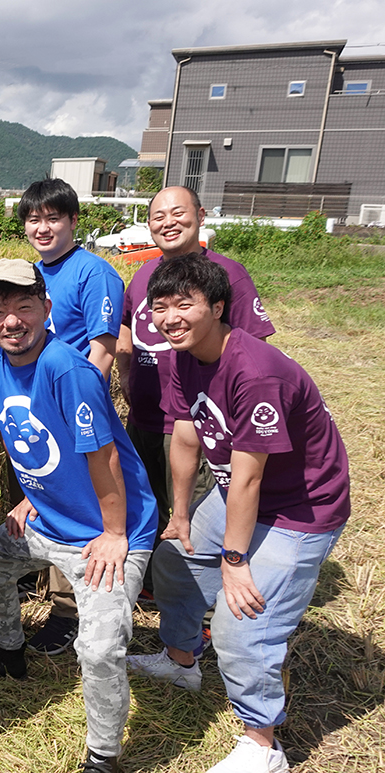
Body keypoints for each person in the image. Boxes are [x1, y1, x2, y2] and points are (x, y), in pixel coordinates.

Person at [127, 255, 349, 773]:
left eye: (185, 305)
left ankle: (263, 744)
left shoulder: (256, 371)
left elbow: (249, 477)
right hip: (238, 495)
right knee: (174, 565)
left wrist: (234, 557)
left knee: (241, 622)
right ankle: (182, 661)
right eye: (160, 307)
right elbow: (184, 433)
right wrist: (180, 515)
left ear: (219, 307)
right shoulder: (177, 355)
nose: (170, 318)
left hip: (300, 509)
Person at [0, 259, 157, 773]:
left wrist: (114, 534)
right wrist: (30, 497)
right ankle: (9, 653)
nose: (10, 321)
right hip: (47, 518)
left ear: (45, 308)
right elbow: (22, 439)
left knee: (101, 649)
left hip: (108, 531)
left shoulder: (68, 368)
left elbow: (102, 456)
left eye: (23, 306)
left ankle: (102, 756)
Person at [116, 187, 275, 574]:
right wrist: (125, 377)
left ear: (201, 215)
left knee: (196, 508)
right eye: (158, 216)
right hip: (144, 414)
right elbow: (124, 327)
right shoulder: (143, 275)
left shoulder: (227, 274)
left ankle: (201, 595)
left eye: (178, 213)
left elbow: (252, 349)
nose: (168, 222)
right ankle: (155, 580)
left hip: (193, 418)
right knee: (147, 501)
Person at [15, 179, 126, 655]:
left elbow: (102, 351)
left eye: (53, 218)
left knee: (81, 506)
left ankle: (67, 610)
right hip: (33, 410)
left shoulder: (93, 273)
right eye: (34, 219)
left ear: (73, 221)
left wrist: (76, 414)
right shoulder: (32, 274)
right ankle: (41, 579)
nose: (43, 228)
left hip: (73, 414)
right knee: (45, 494)